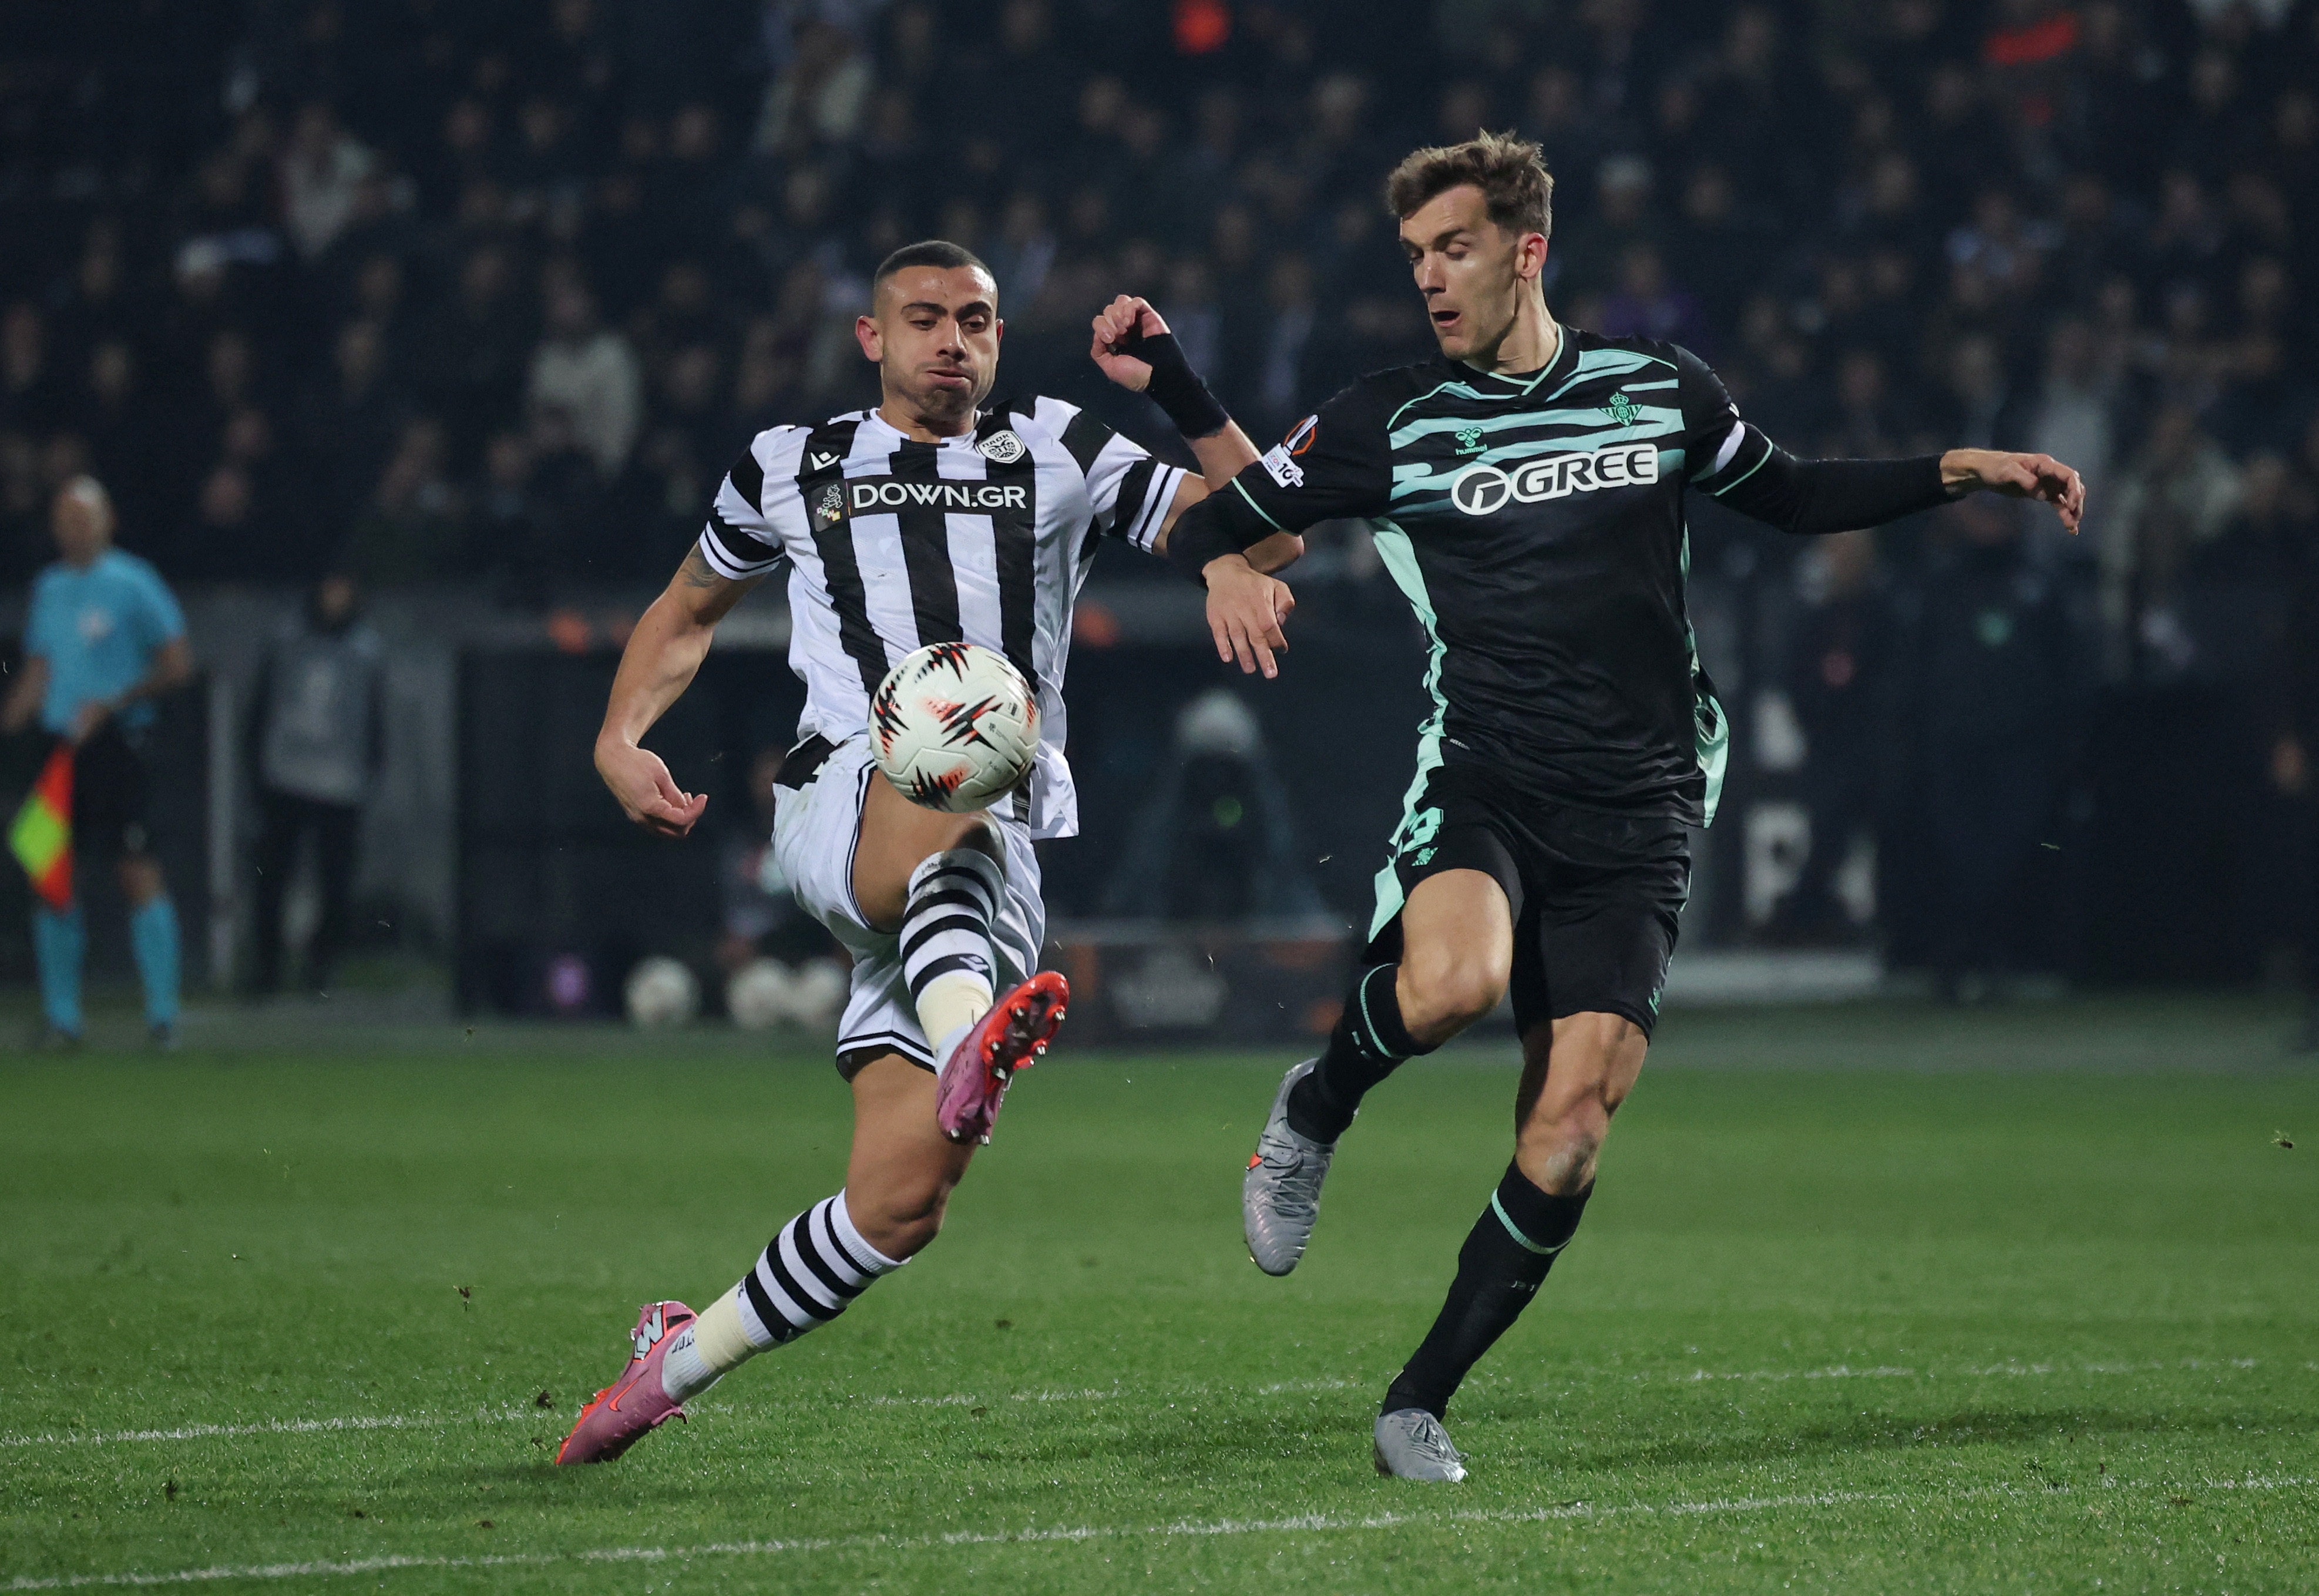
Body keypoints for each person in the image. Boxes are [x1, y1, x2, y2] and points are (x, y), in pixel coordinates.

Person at [1164, 133, 2085, 1480]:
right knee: (1453, 984)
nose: (1430, 276)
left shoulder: (1656, 389)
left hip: (1645, 796)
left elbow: (1791, 492)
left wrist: (1957, 467)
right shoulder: (1389, 416)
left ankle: (1417, 1400)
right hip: (1487, 768)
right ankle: (1317, 1105)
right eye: (1415, 255)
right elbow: (1214, 520)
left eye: (1456, 248)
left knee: (1574, 1121)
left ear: (1528, 251)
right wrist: (1221, 574)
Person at [556, 240, 1299, 1464]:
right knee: (961, 721)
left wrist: (1178, 393)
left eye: (978, 319)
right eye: (925, 318)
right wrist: (619, 735)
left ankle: (672, 1360)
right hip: (840, 789)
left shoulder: (1056, 447)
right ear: (871, 338)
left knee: (900, 1205)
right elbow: (687, 610)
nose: (953, 339)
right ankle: (973, 1040)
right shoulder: (790, 463)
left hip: (987, 848)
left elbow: (1277, 532)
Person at [1, 477, 193, 1046]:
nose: (72, 528)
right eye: (63, 517)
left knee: (136, 869)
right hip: (59, 746)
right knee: (50, 872)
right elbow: (39, 668)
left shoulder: (135, 583)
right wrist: (13, 718)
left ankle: (163, 1015)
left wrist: (117, 699)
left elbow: (177, 665)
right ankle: (64, 1018)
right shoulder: (50, 588)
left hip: (118, 744)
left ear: (108, 521)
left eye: (83, 516)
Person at [246, 573, 386, 996]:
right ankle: (266, 970)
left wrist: (371, 771)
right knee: (271, 878)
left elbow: (374, 717)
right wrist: (256, 768)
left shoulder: (366, 649)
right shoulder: (287, 638)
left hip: (340, 782)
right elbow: (261, 705)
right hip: (285, 776)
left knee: (336, 884)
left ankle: (321, 970)